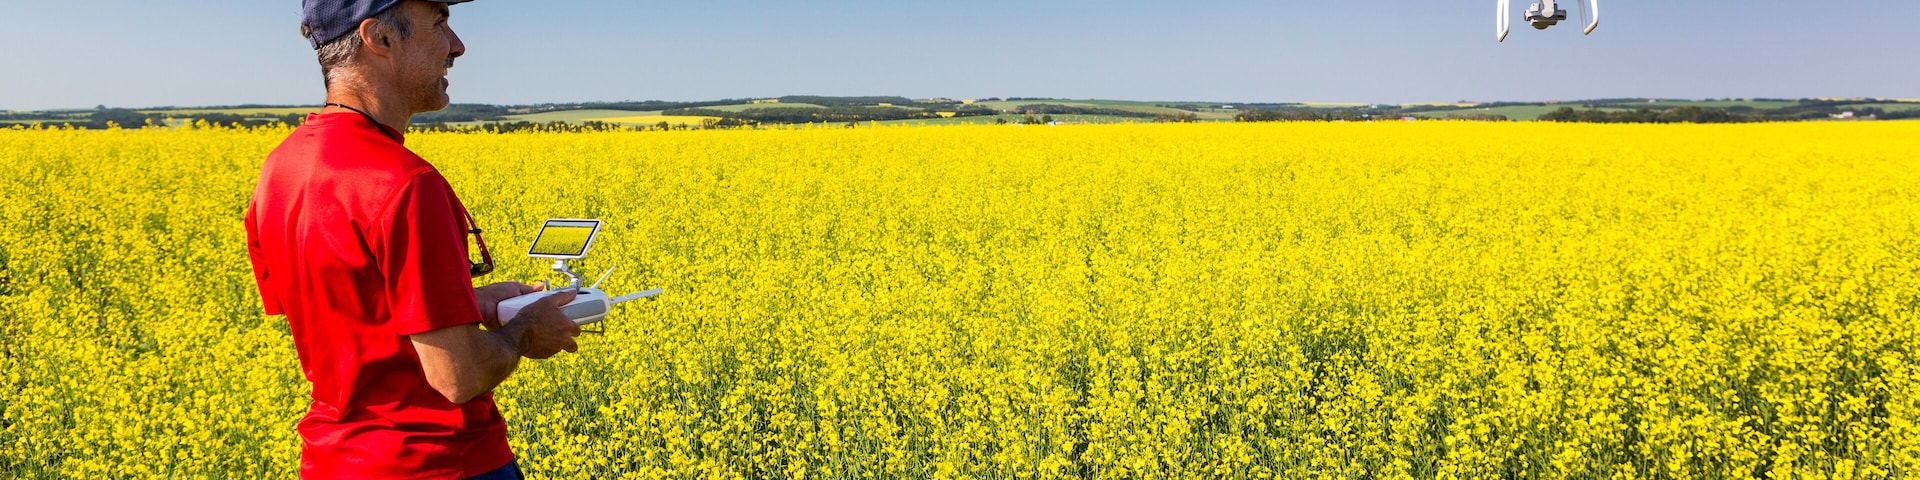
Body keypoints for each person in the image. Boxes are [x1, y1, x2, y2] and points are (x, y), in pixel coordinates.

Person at [245, 0, 582, 478]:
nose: (458, 46)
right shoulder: (402, 183)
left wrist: (470, 301)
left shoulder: (281, 169)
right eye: (440, 23)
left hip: (333, 463)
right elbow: (456, 377)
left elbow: (347, 315)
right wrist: (522, 331)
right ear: (379, 38)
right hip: (441, 463)